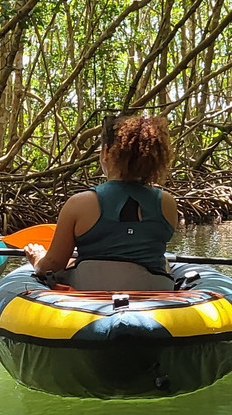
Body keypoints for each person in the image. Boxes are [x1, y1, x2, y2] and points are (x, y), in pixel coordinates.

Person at [24, 114, 179, 291]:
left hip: (89, 294)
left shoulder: (78, 204)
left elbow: (52, 266)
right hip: (153, 295)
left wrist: (37, 257)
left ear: (106, 152)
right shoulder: (167, 203)